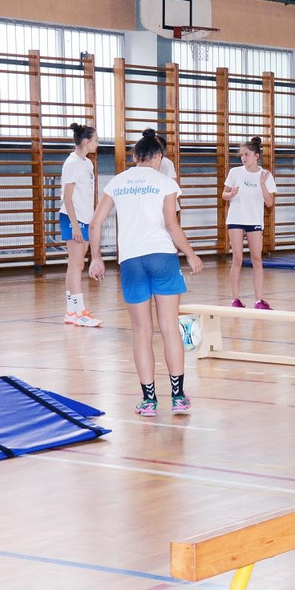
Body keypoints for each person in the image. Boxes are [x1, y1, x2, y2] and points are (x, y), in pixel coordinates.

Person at [89, 128, 204, 417]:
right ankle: (178, 397)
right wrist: (190, 253)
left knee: (141, 331)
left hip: (131, 261)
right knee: (168, 328)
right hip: (162, 256)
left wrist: (96, 259)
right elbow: (171, 224)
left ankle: (149, 400)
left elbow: (95, 224)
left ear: (134, 156)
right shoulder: (165, 182)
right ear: (158, 157)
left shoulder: (117, 182)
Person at [223, 136, 277, 309]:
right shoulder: (235, 173)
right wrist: (230, 194)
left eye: (246, 154)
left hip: (254, 220)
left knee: (256, 259)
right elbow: (224, 194)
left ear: (256, 156)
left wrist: (262, 184)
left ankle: (259, 300)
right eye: (241, 155)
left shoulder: (266, 175)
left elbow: (269, 203)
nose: (243, 158)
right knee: (237, 258)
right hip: (236, 219)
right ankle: (235, 299)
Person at [59, 122, 102, 327]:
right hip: (72, 218)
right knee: (76, 265)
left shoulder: (87, 163)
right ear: (86, 142)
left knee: (76, 264)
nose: (97, 144)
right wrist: (75, 226)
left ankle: (71, 311)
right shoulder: (72, 163)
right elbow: (67, 198)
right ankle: (80, 311)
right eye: (95, 140)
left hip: (85, 217)